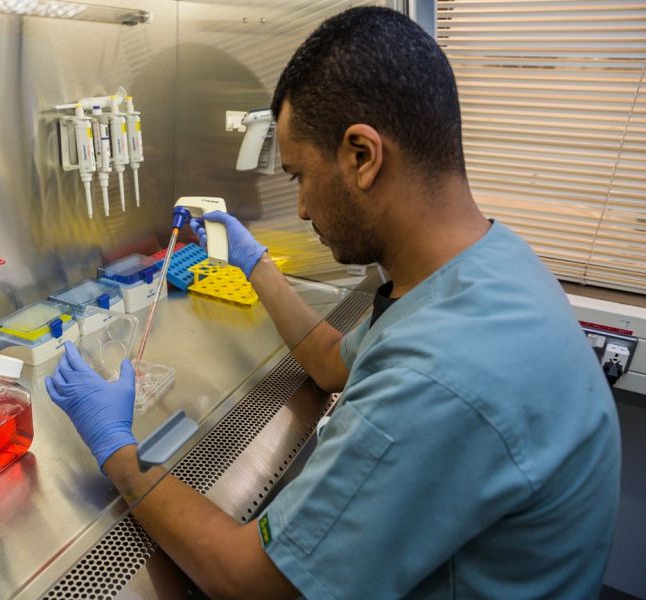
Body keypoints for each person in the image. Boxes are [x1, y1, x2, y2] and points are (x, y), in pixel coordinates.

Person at [45, 6, 621, 599]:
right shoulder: (485, 264)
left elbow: (250, 582)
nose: (299, 208)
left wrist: (117, 452)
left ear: (362, 156)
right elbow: (331, 362)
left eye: (298, 176)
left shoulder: (439, 376)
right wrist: (254, 263)